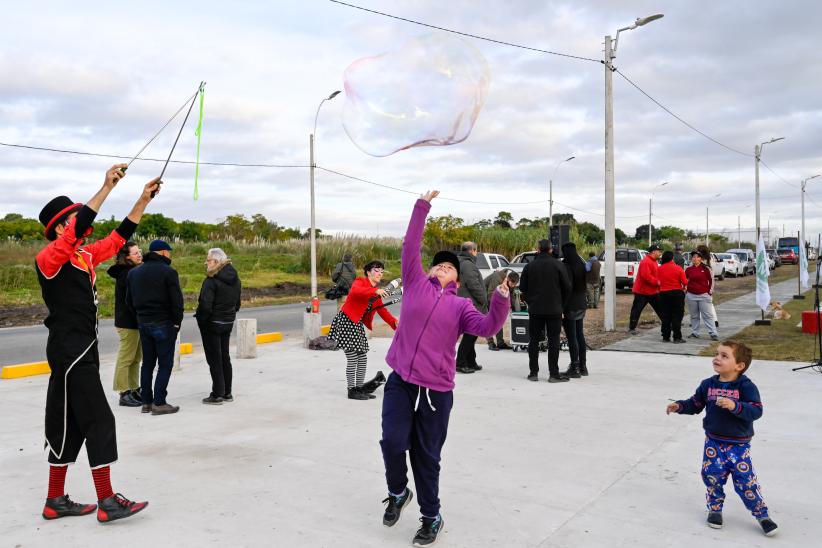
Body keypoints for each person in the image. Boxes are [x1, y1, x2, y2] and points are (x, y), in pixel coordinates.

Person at [379, 191, 509, 547]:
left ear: (456, 279)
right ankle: (396, 491)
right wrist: (422, 206)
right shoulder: (416, 283)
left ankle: (430, 516)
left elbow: (487, 328)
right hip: (401, 381)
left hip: (436, 392)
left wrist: (500, 299)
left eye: (448, 266)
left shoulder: (461, 307)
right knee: (392, 441)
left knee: (426, 457)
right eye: (437, 263)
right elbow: (410, 244)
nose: (441, 266)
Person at [35, 164, 155, 523]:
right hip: (70, 353)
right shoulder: (49, 259)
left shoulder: (84, 257)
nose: (83, 226)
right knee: (101, 420)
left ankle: (54, 500)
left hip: (81, 350)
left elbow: (119, 238)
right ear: (59, 228)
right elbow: (86, 217)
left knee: (68, 425)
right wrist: (106, 187)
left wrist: (142, 200)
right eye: (72, 220)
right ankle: (107, 501)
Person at [666, 341, 778, 537]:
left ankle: (762, 515)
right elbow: (695, 403)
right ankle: (715, 509)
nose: (717, 358)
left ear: (739, 365)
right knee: (712, 477)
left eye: (724, 356)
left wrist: (735, 406)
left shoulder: (745, 386)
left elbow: (756, 410)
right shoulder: (708, 384)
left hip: (738, 445)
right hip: (714, 442)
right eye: (717, 354)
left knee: (745, 481)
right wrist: (680, 406)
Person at [126, 239, 184, 415]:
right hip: (163, 323)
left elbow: (128, 301)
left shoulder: (134, 273)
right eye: (169, 252)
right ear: (163, 252)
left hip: (143, 323)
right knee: (165, 364)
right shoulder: (169, 272)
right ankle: (159, 402)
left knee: (148, 364)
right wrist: (176, 322)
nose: (170, 255)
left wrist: (140, 317)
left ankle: (146, 402)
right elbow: (177, 301)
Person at [328, 260, 398, 400]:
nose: (379, 273)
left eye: (381, 271)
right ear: (368, 272)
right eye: (376, 270)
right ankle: (351, 390)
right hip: (346, 321)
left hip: (356, 324)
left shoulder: (377, 294)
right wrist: (375, 290)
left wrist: (394, 324)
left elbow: (382, 311)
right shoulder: (360, 282)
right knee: (353, 357)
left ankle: (359, 389)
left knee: (362, 356)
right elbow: (356, 291)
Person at [519, 239, 571, 382]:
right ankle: (553, 374)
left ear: (538, 249)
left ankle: (533, 373)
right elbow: (567, 287)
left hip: (535, 309)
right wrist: (562, 305)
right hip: (554, 309)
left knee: (534, 340)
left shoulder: (530, 266)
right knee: (554, 340)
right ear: (550, 249)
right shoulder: (558, 265)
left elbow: (522, 288)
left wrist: (530, 301)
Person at [195, 248, 242, 405]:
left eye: (208, 260)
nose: (206, 263)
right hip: (227, 321)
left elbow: (205, 306)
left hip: (212, 323)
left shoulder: (211, 280)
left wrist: (201, 319)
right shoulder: (235, 278)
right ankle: (227, 392)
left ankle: (217, 394)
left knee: (214, 358)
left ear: (215, 262)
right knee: (224, 356)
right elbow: (237, 303)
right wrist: (229, 314)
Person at [107, 242, 144, 407]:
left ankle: (134, 389)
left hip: (135, 321)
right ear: (127, 256)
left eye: (139, 252)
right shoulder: (127, 274)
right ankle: (124, 392)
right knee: (126, 358)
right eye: (135, 253)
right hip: (127, 322)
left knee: (136, 358)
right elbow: (131, 300)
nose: (139, 255)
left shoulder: (132, 271)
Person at [455, 241, 488, 373]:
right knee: (471, 334)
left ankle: (471, 361)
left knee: (471, 333)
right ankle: (461, 362)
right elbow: (474, 285)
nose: (477, 253)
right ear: (472, 251)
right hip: (472, 305)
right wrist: (484, 299)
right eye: (476, 251)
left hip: (463, 303)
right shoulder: (468, 265)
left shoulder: (459, 262)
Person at [561, 242, 588, 378]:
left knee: (572, 337)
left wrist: (562, 307)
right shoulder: (581, 264)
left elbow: (567, 288)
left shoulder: (567, 266)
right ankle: (583, 366)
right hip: (581, 304)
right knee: (579, 335)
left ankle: (575, 366)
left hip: (570, 306)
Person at [628, 244, 663, 335]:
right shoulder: (646, 262)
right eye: (659, 251)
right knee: (637, 309)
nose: (660, 253)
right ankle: (632, 328)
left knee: (660, 308)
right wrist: (657, 282)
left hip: (652, 291)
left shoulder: (654, 261)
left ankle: (667, 325)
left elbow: (654, 274)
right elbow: (646, 276)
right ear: (653, 252)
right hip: (642, 292)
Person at [685, 250, 718, 340]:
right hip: (691, 295)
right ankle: (695, 332)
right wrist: (686, 291)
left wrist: (709, 292)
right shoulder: (688, 269)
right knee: (694, 316)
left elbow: (712, 281)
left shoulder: (706, 268)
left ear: (700, 258)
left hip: (704, 295)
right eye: (693, 257)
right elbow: (684, 281)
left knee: (707, 315)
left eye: (697, 257)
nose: (694, 258)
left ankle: (713, 333)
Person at [658, 250, 688, 343]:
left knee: (665, 316)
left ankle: (665, 336)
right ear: (672, 258)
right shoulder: (678, 268)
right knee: (677, 315)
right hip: (676, 294)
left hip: (663, 294)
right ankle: (677, 337)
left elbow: (657, 281)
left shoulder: (659, 269)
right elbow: (685, 282)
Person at [484, 269, 518, 350]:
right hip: (485, 298)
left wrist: (515, 307)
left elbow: (511, 294)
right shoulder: (497, 278)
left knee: (499, 319)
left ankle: (500, 342)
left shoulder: (510, 282)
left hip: (496, 298)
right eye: (512, 284)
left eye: (515, 285)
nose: (513, 286)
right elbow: (490, 294)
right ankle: (490, 343)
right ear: (508, 280)